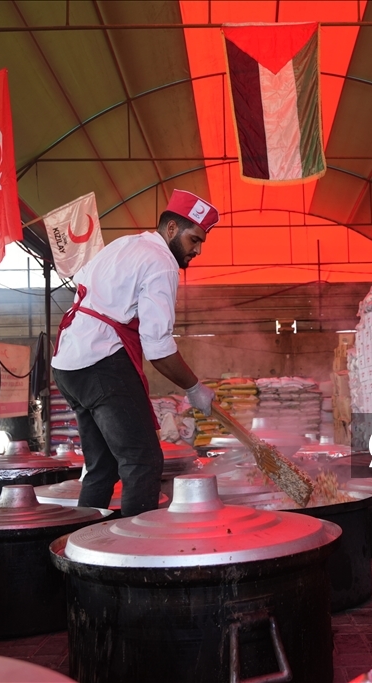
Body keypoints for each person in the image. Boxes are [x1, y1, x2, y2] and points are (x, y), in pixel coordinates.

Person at [51, 190, 219, 516]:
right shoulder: (162, 264)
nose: (197, 250)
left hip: (70, 363)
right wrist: (194, 387)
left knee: (103, 465)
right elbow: (158, 348)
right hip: (100, 362)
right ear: (171, 229)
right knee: (143, 460)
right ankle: (136, 556)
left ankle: (84, 545)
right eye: (193, 239)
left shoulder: (127, 244)